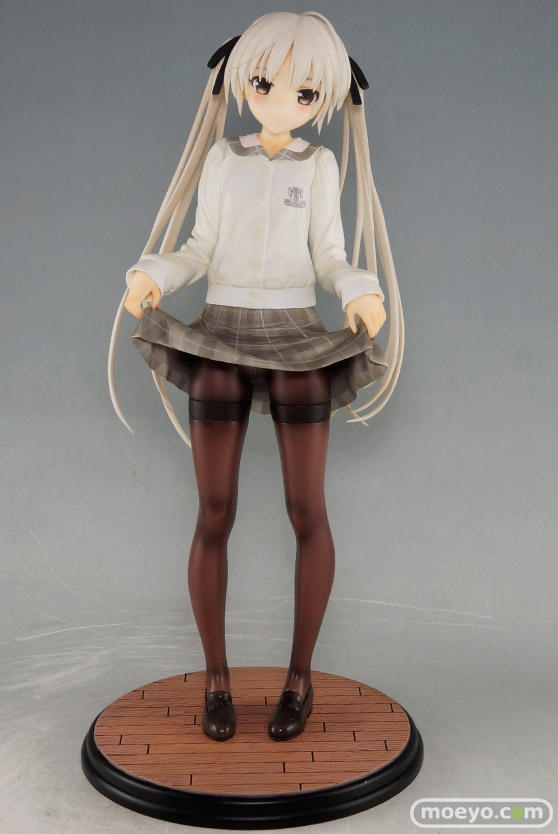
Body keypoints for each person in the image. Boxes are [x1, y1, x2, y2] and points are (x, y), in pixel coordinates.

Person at [108, 11, 404, 741]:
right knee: (214, 511)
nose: (281, 102)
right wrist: (155, 272)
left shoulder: (319, 164)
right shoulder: (223, 157)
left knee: (308, 509)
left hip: (298, 332)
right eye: (266, 84)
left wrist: (359, 288)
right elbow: (201, 245)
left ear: (325, 98)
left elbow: (329, 253)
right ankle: (217, 679)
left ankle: (299, 679)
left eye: (304, 93)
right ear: (242, 81)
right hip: (222, 330)